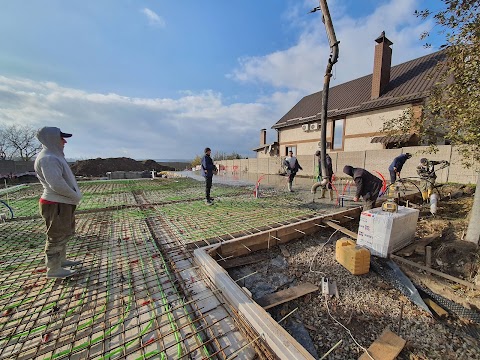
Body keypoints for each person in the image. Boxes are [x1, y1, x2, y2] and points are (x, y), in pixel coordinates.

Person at [34, 127, 83, 279]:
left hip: (62, 203)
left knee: (63, 233)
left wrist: (73, 198)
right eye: (62, 138)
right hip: (55, 203)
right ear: (52, 139)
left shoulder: (53, 156)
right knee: (56, 236)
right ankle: (54, 269)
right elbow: (56, 184)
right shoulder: (48, 159)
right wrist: (74, 196)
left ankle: (61, 260)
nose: (65, 141)